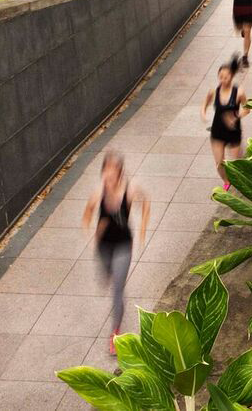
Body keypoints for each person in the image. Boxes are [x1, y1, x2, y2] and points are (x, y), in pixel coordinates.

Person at [83, 151, 150, 356]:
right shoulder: (98, 191)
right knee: (105, 277)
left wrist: (142, 229)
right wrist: (89, 234)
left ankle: (114, 334)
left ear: (120, 172)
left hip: (123, 244)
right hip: (103, 245)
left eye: (113, 170)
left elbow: (146, 203)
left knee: (117, 289)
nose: (109, 174)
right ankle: (108, 272)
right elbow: (87, 214)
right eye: (106, 170)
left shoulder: (130, 189)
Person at [202, 56, 249, 189]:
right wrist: (203, 112)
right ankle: (226, 181)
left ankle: (241, 177)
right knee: (219, 163)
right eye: (221, 77)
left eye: (226, 77)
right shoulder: (214, 91)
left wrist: (235, 116)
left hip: (233, 131)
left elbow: (248, 108)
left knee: (236, 162)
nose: (223, 80)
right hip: (218, 131)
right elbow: (205, 102)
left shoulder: (239, 92)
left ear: (231, 77)